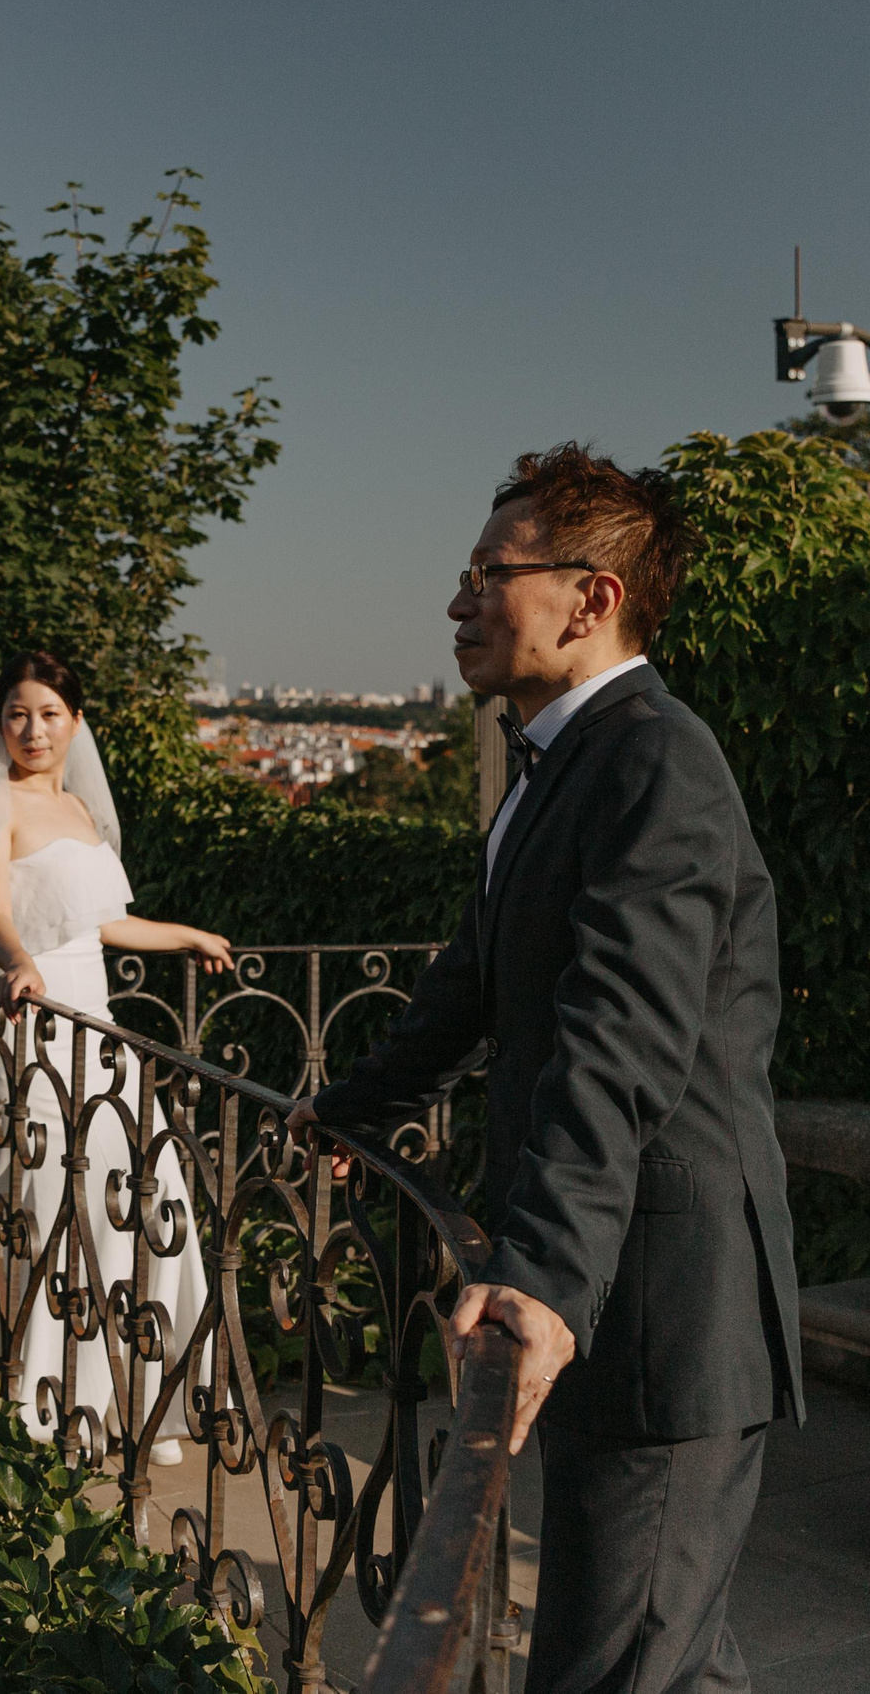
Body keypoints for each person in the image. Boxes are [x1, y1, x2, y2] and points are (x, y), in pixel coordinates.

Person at [291, 445, 801, 1694]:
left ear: (592, 597)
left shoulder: (654, 760)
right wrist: (344, 1109)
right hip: (612, 1288)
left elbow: (615, 1035)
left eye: (488, 573)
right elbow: (471, 987)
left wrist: (539, 1280)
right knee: (660, 1655)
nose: (459, 600)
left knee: (618, 1665)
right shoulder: (556, 764)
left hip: (660, 1314)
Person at [0, 648, 234, 1463]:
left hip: (97, 1023)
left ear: (75, 721)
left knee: (143, 1199)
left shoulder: (77, 807)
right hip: (32, 1017)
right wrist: (17, 964)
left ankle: (137, 1402)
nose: (32, 728)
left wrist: (186, 936)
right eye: (18, 713)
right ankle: (52, 1405)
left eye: (49, 714)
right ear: (0, 722)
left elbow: (102, 923)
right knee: (47, 1204)